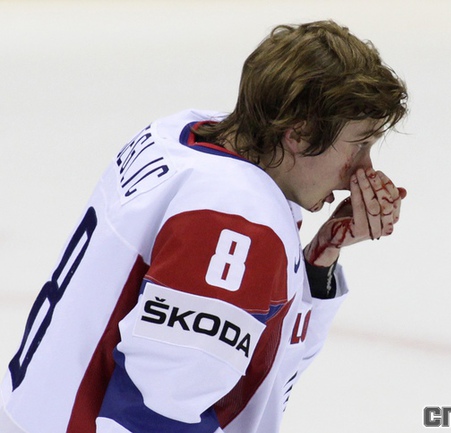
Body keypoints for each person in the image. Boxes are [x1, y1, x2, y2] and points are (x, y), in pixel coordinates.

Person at [0, 20, 408, 433]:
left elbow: (254, 373)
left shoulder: (181, 136)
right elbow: (156, 415)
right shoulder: (236, 220)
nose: (364, 171)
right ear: (299, 134)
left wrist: (318, 263)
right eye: (360, 144)